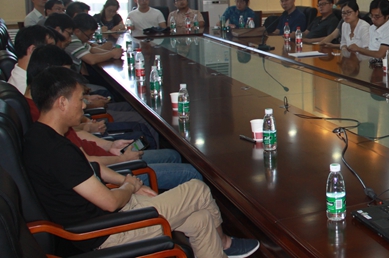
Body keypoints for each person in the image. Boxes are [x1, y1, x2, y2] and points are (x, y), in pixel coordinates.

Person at [23, 66, 260, 257]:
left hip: (109, 215)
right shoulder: (57, 152)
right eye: (79, 99)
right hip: (109, 232)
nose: (84, 105)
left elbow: (90, 169)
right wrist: (129, 186)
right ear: (62, 103)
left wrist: (128, 183)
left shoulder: (41, 135)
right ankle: (225, 244)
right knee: (198, 189)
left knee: (201, 220)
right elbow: (109, 203)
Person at [24, 46, 202, 190]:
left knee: (172, 155)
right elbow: (84, 164)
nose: (83, 105)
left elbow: (78, 141)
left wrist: (108, 145)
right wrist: (122, 162)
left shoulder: (47, 114)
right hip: (111, 171)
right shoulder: (43, 121)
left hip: (108, 159)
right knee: (191, 173)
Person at [7, 25, 55, 93]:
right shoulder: (26, 88)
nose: (55, 52)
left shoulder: (20, 76)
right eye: (50, 48)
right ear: (33, 50)